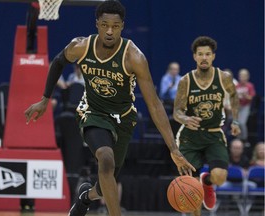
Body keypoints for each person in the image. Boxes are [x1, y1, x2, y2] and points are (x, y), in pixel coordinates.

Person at [24, 1, 195, 216]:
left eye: (115, 26)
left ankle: (85, 196)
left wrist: (174, 149)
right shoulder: (82, 46)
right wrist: (44, 99)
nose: (110, 31)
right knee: (105, 158)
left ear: (122, 26)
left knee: (107, 181)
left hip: (123, 119)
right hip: (93, 112)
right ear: (97, 24)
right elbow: (58, 62)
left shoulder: (134, 57)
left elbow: (154, 104)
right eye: (105, 25)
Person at [173, 36, 241, 216]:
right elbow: (176, 112)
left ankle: (208, 181)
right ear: (194, 56)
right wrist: (185, 119)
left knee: (220, 177)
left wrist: (235, 120)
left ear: (213, 57)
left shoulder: (224, 77)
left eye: (207, 54)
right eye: (200, 54)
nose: (204, 57)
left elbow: (234, 96)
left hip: (213, 134)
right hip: (190, 137)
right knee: (192, 188)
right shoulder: (185, 81)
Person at [236, 68, 256, 142]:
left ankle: (244, 139)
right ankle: (238, 139)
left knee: (242, 123)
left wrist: (245, 95)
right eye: (241, 76)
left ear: (247, 77)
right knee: (237, 123)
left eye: (244, 76)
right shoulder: (236, 86)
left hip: (245, 107)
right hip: (238, 107)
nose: (242, 78)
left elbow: (251, 97)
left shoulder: (249, 86)